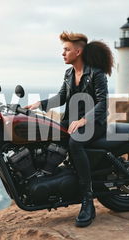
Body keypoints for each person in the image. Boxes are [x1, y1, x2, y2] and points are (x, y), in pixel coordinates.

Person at [24, 31, 113, 227]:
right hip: (71, 121)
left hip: (93, 124)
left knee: (75, 143)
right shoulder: (69, 73)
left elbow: (102, 103)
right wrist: (38, 104)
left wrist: (83, 120)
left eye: (66, 50)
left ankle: (88, 200)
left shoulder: (96, 73)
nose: (63, 53)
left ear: (78, 51)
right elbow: (61, 97)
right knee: (45, 132)